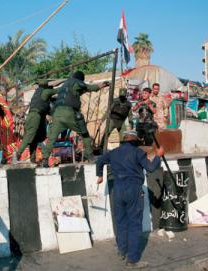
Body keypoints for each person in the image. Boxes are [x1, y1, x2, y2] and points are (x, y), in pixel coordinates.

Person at [96, 130, 164, 269]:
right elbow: (150, 168)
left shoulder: (114, 152)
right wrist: (158, 156)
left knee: (121, 221)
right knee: (134, 224)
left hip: (118, 190)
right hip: (133, 190)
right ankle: (132, 260)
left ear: (124, 140)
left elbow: (100, 160)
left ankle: (122, 251)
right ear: (135, 141)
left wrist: (100, 175)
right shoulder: (137, 152)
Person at [41, 71, 110, 167]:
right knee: (84, 134)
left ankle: (45, 160)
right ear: (80, 78)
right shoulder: (77, 82)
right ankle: (90, 156)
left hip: (57, 114)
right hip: (68, 113)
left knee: (52, 139)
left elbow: (74, 92)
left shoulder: (64, 85)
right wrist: (102, 85)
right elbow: (89, 87)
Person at [16, 79, 53, 163]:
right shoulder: (43, 94)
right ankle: (17, 155)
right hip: (35, 117)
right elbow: (46, 108)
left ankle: (35, 159)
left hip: (36, 118)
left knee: (35, 140)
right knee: (29, 137)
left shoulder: (37, 93)